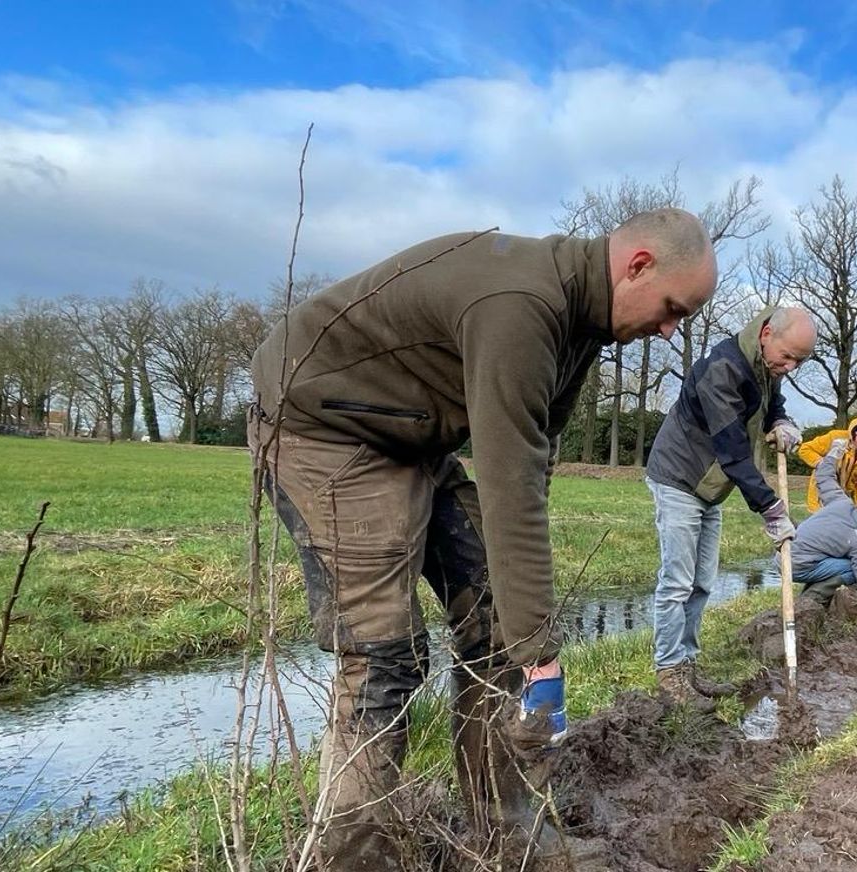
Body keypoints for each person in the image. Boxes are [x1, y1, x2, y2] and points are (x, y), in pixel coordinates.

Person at [249, 208, 716, 869]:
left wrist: (525, 632)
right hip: (321, 427)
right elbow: (506, 488)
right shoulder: (522, 305)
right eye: (673, 309)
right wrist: (543, 658)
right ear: (637, 265)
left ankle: (500, 831)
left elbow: (533, 461)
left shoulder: (583, 323)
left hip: (406, 432)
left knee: (497, 617)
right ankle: (357, 856)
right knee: (385, 651)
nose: (670, 332)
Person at [644, 306, 814, 709]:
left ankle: (688, 667)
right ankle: (669, 672)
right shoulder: (723, 368)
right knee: (678, 582)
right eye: (787, 356)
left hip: (709, 487)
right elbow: (734, 451)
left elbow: (770, 401)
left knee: (703, 581)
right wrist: (771, 508)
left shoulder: (765, 366)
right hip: (680, 478)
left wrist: (782, 420)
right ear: (767, 333)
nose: (789, 367)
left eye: (798, 362)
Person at [791, 441, 857, 616]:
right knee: (853, 568)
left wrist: (833, 454)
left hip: (784, 554)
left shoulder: (842, 501)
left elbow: (823, 476)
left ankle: (808, 597)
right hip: (796, 565)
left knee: (839, 559)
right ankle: (811, 601)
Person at [795, 416, 857, 511]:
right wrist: (823, 465)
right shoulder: (835, 437)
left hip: (844, 500)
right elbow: (805, 449)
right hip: (821, 496)